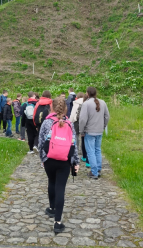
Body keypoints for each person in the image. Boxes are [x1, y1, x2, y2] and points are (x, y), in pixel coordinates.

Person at [38, 97, 80, 233]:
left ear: (52, 107)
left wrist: (43, 159)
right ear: (65, 108)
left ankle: (51, 208)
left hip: (49, 159)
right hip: (64, 161)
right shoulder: (69, 123)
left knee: (51, 181)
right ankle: (57, 222)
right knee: (60, 187)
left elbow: (41, 143)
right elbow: (74, 144)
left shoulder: (46, 122)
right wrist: (76, 162)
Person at [79, 87, 110, 179]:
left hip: (89, 131)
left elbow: (82, 119)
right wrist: (103, 126)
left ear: (87, 94)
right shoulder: (103, 103)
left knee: (91, 151)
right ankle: (98, 169)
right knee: (97, 150)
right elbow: (107, 116)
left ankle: (94, 172)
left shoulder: (86, 104)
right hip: (99, 131)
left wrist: (81, 131)